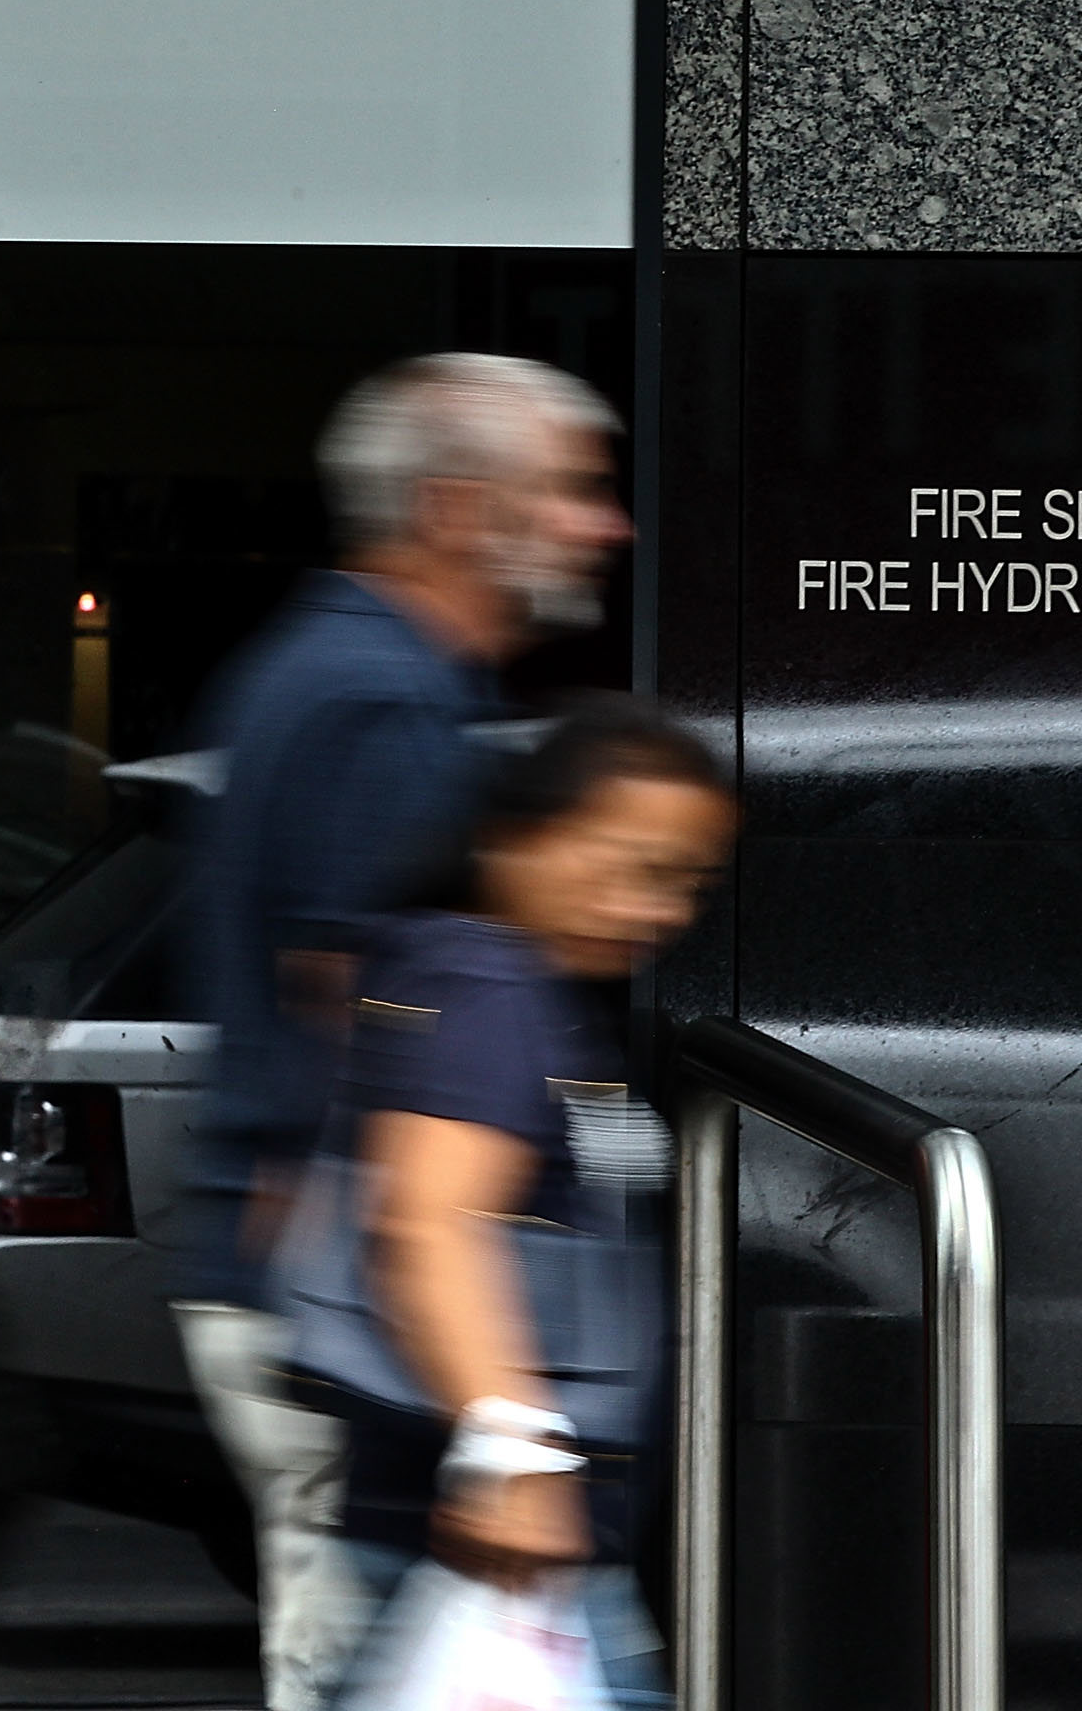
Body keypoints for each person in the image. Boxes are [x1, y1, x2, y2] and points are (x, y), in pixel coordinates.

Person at [169, 352, 630, 1711]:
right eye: (571, 491)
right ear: (450, 507)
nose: (606, 525)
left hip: (355, 1303)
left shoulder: (365, 673)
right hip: (366, 1316)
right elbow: (361, 1010)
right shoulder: (384, 703)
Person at [294, 695, 732, 1707]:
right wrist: (517, 1456)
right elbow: (428, 1222)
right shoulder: (485, 983)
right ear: (522, 835)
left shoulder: (510, 980)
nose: (659, 907)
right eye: (632, 863)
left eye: (687, 881)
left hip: (497, 1542)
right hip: (495, 1537)